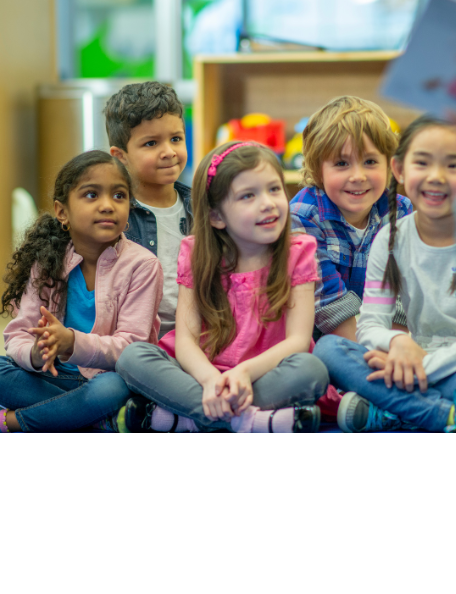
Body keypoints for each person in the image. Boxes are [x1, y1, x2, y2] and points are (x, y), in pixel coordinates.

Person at [116, 141, 328, 432]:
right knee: (132, 358)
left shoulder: (298, 251)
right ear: (216, 216)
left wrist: (243, 372)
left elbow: (298, 342)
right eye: (247, 196)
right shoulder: (196, 253)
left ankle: (189, 419)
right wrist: (210, 381)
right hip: (202, 374)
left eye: (274, 189)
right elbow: (186, 339)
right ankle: (247, 421)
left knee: (311, 370)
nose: (267, 202)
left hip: (263, 373)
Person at [315, 116, 456, 432]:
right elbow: (370, 325)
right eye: (422, 162)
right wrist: (396, 343)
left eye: (453, 165)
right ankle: (445, 414)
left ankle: (396, 409)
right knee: (328, 350)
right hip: (406, 364)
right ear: (399, 170)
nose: (436, 177)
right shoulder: (390, 239)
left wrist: (424, 366)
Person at [0, 151, 163, 433]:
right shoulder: (48, 260)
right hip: (52, 377)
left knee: (112, 390)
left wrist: (71, 343)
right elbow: (17, 335)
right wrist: (37, 354)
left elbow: (131, 347)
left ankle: (14, 422)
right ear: (62, 211)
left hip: (106, 379)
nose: (107, 205)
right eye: (91, 195)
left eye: (119, 196)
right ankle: (98, 422)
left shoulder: (143, 265)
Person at [289, 95, 412, 341]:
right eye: (342, 163)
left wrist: (396, 348)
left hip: (388, 336)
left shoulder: (399, 210)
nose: (358, 175)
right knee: (330, 351)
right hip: (326, 337)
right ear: (317, 169)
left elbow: (403, 291)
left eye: (370, 161)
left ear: (390, 166)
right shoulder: (303, 215)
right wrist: (378, 351)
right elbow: (328, 303)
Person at [105, 81, 192, 339]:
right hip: (137, 341)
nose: (169, 152)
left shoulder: (203, 206)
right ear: (120, 156)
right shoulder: (111, 215)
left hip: (197, 338)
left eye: (176, 139)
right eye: (151, 143)